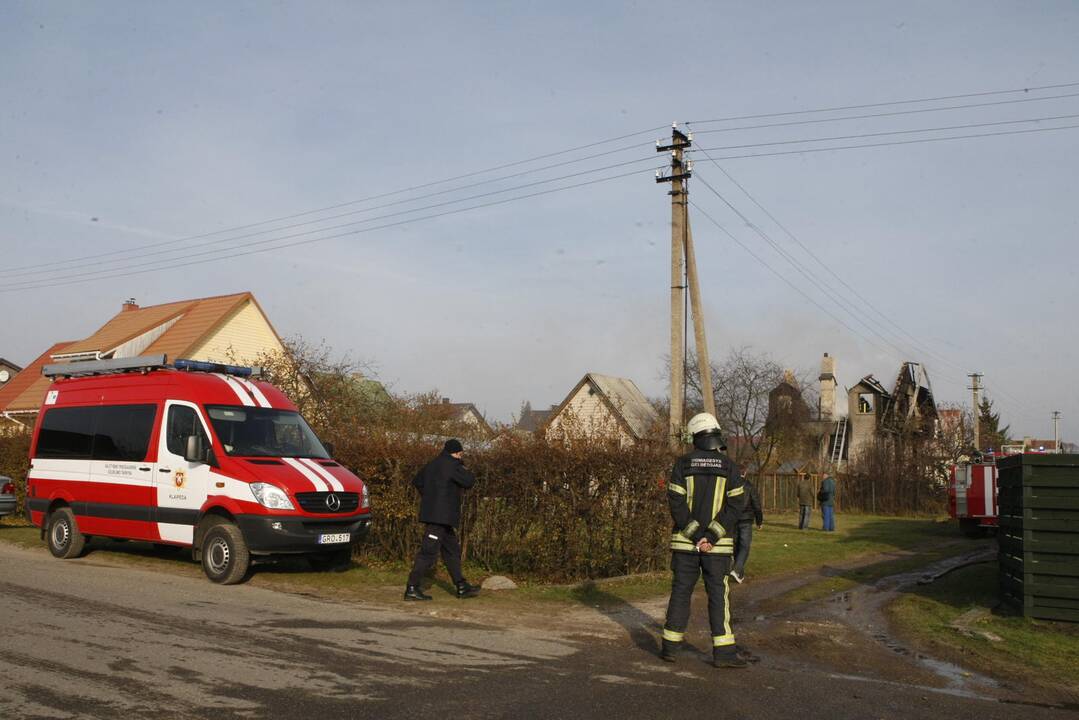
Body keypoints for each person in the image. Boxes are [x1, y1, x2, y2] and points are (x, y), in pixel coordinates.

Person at [660, 413, 749, 669]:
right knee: (718, 596)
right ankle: (724, 654)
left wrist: (696, 534)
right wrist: (711, 536)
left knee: (680, 593)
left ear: (695, 436)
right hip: (718, 548)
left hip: (684, 545)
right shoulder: (730, 467)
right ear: (715, 434)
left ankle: (669, 647)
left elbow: (676, 504)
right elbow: (735, 506)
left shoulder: (682, 465)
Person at [404, 439, 481, 600]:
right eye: (460, 454)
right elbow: (469, 481)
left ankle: (461, 586)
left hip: (438, 517)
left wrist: (429, 498)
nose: (460, 456)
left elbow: (417, 481)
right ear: (456, 452)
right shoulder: (453, 465)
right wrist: (461, 463)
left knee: (452, 551)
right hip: (440, 518)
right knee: (428, 552)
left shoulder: (432, 464)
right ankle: (412, 587)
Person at [730, 476, 762, 583]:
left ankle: (739, 574)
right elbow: (756, 504)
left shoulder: (731, 484)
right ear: (745, 472)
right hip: (746, 520)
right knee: (744, 546)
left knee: (736, 545)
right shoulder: (749, 486)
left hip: (733, 519)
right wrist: (759, 521)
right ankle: (736, 570)